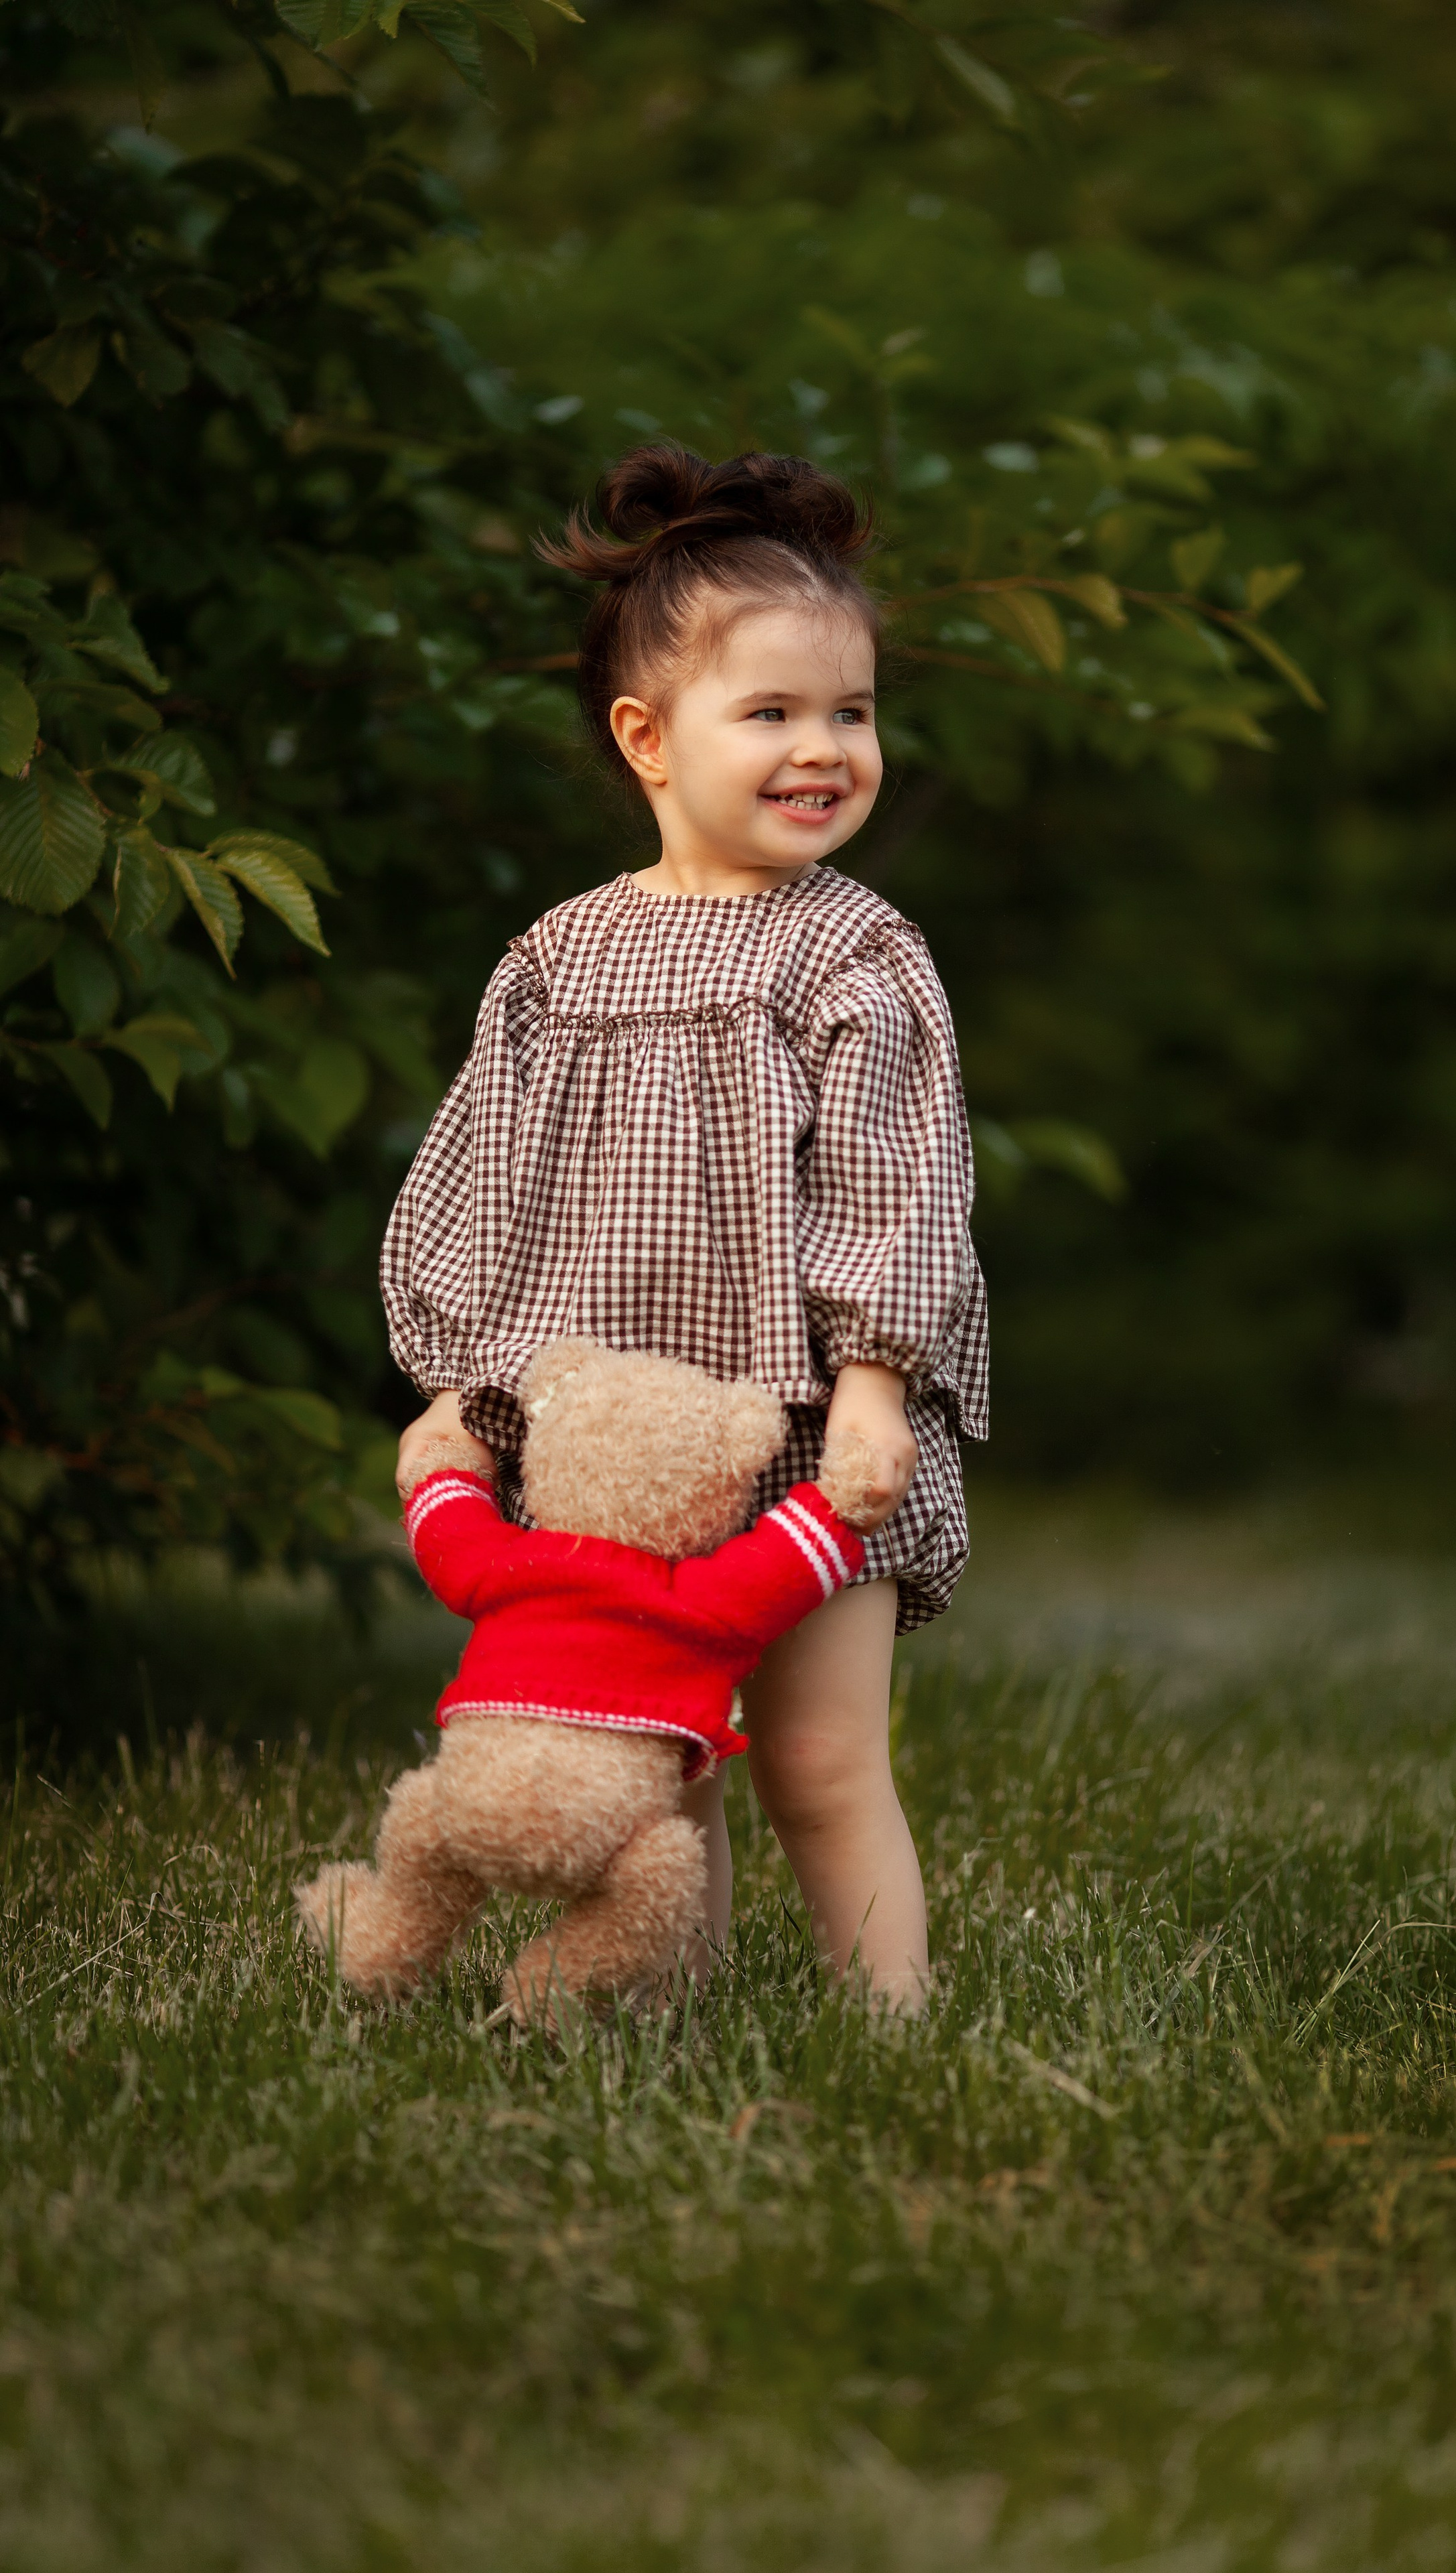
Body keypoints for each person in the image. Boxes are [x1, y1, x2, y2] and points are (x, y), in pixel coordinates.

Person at [381, 444, 988, 2012]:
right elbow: (478, 1173)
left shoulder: (855, 953)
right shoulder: (556, 959)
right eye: (772, 712)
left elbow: (900, 1181)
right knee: (659, 1765)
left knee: (813, 1754)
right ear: (648, 739)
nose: (824, 749)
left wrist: (873, 1377)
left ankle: (891, 2029)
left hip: (802, 1438)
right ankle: (659, 2017)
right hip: (604, 1453)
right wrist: (460, 1381)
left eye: (849, 712)